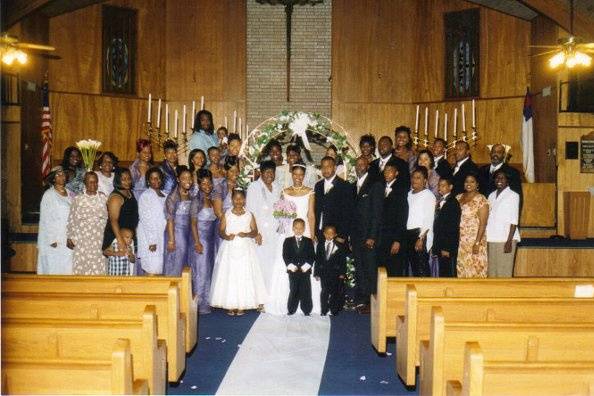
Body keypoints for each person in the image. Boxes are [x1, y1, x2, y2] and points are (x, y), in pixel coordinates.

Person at [266, 162, 322, 316]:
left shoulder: (310, 192)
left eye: (301, 175)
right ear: (291, 174)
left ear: (305, 176)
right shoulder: (285, 191)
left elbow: (311, 214)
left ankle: (308, 304)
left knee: (306, 263)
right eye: (295, 174)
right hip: (289, 231)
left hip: (305, 230)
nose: (298, 177)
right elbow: (282, 215)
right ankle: (287, 301)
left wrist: (312, 234)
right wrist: (283, 227)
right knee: (286, 261)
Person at [209, 189, 267, 316]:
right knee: (230, 275)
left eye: (241, 198)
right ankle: (231, 304)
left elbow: (255, 231)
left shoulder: (249, 215)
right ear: (232, 200)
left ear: (245, 200)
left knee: (243, 274)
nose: (238, 201)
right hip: (230, 248)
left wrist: (247, 233)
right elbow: (221, 231)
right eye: (236, 199)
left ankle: (242, 305)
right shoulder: (227, 214)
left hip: (245, 248)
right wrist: (226, 236)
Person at [351, 156, 383, 313]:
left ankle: (372, 303)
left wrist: (372, 236)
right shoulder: (353, 185)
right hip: (356, 236)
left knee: (370, 270)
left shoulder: (375, 184)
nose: (360, 167)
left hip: (369, 236)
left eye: (363, 164)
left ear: (368, 166)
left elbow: (377, 213)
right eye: (357, 165)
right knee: (360, 269)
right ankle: (361, 301)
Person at [246, 160, 282, 292]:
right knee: (261, 264)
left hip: (275, 231)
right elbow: (250, 211)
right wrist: (256, 232)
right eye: (266, 172)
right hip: (260, 231)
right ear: (260, 173)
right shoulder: (253, 187)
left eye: (272, 172)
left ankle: (271, 294)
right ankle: (261, 296)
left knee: (273, 263)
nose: (269, 175)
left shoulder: (278, 187)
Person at [190, 169, 221, 314]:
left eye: (209, 182)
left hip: (211, 239)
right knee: (201, 271)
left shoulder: (212, 197)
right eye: (204, 183)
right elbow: (193, 223)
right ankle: (200, 303)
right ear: (199, 184)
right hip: (201, 239)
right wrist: (197, 242)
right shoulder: (196, 200)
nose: (207, 185)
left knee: (209, 269)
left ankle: (209, 300)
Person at [66, 172, 108, 275]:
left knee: (99, 267)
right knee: (82, 267)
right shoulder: (78, 199)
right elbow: (72, 219)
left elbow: (109, 218)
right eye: (90, 182)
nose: (93, 184)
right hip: (82, 240)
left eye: (95, 182)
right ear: (85, 183)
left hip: (99, 239)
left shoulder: (104, 198)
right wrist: (70, 236)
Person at [37, 166, 73, 275]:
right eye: (58, 174)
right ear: (53, 179)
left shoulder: (70, 193)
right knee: (54, 268)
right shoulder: (49, 195)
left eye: (63, 174)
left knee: (67, 268)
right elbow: (45, 219)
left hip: (68, 237)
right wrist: (51, 239)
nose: (61, 176)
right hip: (54, 239)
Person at [486, 170, 521, 277]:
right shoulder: (491, 195)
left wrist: (509, 241)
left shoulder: (513, 195)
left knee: (504, 272)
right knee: (492, 272)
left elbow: (514, 220)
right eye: (497, 178)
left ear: (507, 181)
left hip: (506, 238)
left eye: (502, 178)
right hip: (492, 238)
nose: (499, 180)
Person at [314, 156, 354, 243]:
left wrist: (342, 234)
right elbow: (316, 209)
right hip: (320, 232)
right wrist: (315, 231)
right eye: (323, 167)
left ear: (335, 168)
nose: (325, 169)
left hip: (336, 234)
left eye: (329, 166)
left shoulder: (345, 186)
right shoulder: (318, 186)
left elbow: (348, 212)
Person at [378, 163, 408, 276]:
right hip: (381, 237)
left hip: (393, 236)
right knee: (382, 269)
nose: (387, 173)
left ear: (396, 173)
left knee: (393, 269)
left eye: (390, 171)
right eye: (385, 170)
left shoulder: (401, 190)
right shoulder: (380, 188)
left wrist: (398, 240)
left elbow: (402, 216)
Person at [456, 174, 489, 278]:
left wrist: (477, 242)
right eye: (466, 181)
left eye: (472, 181)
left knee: (475, 270)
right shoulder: (458, 197)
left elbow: (483, 223)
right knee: (462, 269)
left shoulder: (481, 199)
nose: (468, 184)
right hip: (460, 242)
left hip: (474, 241)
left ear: (477, 184)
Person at [405, 167, 436, 276]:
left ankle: (425, 292)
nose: (414, 180)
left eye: (418, 178)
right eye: (413, 177)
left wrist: (421, 238)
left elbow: (428, 219)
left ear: (425, 181)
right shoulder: (408, 194)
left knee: (421, 269)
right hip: (408, 233)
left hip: (420, 234)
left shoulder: (428, 195)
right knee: (413, 268)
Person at [164, 166, 194, 276]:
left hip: (187, 233)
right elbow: (170, 219)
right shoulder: (173, 197)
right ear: (178, 179)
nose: (188, 181)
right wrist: (171, 240)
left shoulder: (190, 194)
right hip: (176, 233)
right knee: (176, 261)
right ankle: (173, 288)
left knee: (186, 261)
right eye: (184, 178)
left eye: (190, 178)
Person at [137, 167, 167, 275]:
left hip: (162, 236)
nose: (156, 181)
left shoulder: (165, 195)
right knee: (152, 269)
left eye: (158, 178)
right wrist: (152, 241)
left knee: (160, 269)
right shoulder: (146, 196)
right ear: (148, 181)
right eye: (153, 178)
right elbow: (146, 220)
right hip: (150, 238)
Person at [102, 168, 139, 255]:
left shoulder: (129, 192)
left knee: (128, 267)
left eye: (129, 178)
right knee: (116, 267)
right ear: (118, 180)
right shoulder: (116, 197)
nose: (127, 182)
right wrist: (120, 240)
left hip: (128, 236)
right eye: (123, 179)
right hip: (117, 237)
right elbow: (113, 220)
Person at [283, 218, 315, 315]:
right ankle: (291, 310)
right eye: (296, 228)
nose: (298, 230)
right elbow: (285, 255)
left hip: (305, 270)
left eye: (301, 228)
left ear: (304, 229)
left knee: (306, 290)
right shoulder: (287, 241)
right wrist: (291, 266)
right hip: (293, 270)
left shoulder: (309, 241)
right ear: (293, 228)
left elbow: (312, 256)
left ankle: (307, 310)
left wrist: (306, 266)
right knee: (293, 290)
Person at [315, 224, 347, 316]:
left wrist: (342, 273)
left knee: (334, 292)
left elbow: (342, 261)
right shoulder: (320, 245)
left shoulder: (339, 246)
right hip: (324, 273)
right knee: (324, 291)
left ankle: (334, 309)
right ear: (324, 234)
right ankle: (324, 310)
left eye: (331, 234)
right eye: (327, 233)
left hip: (335, 273)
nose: (329, 235)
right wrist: (316, 273)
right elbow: (317, 259)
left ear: (335, 234)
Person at [432, 177, 461, 277]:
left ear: (450, 187)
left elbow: (452, 227)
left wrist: (447, 248)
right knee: (442, 271)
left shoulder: (453, 203)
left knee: (449, 272)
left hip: (447, 245)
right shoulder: (441, 201)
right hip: (440, 243)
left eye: (443, 185)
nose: (440, 188)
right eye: (439, 185)